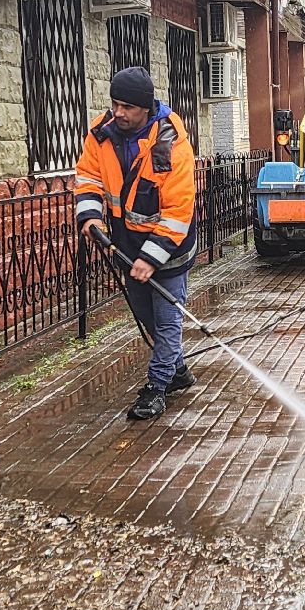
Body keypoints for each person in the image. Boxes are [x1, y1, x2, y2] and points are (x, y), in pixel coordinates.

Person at [74, 66, 198, 421]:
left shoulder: (170, 145)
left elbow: (178, 210)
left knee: (167, 320)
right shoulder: (101, 134)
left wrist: (151, 258)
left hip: (169, 250)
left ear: (145, 107)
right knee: (146, 318)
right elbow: (88, 177)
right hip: (127, 245)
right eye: (115, 104)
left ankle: (157, 387)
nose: (118, 112)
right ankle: (177, 371)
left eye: (127, 107)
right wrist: (90, 217)